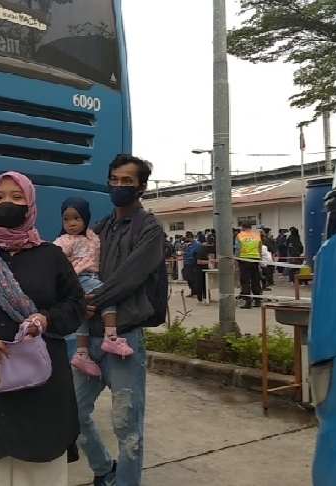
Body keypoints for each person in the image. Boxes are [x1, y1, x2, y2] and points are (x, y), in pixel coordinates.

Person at [0, 171, 85, 486]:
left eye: (16, 197)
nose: (7, 203)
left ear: (31, 204)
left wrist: (45, 319)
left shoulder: (51, 255)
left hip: (43, 382)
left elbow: (75, 305)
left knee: (43, 472)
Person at [75, 154, 164, 486]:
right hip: (90, 340)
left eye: (128, 181)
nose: (120, 186)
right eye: (115, 179)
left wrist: (90, 300)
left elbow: (130, 277)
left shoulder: (150, 228)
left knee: (127, 425)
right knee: (75, 414)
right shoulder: (97, 227)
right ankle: (103, 470)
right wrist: (74, 300)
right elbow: (79, 267)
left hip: (124, 340)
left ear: (141, 187)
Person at [53, 197, 132, 378]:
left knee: (84, 315)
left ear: (85, 219)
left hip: (87, 278)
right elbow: (56, 263)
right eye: (66, 219)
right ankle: (111, 336)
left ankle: (81, 353)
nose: (71, 223)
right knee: (106, 295)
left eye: (76, 218)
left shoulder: (91, 236)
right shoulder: (63, 242)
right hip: (81, 278)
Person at [236, 221, 263, 309]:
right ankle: (258, 300)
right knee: (256, 280)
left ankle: (247, 302)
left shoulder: (240, 235)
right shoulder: (257, 235)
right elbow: (260, 247)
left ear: (243, 227)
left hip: (244, 259)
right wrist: (260, 259)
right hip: (255, 259)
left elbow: (237, 249)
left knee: (245, 281)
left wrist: (236, 261)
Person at [182, 231, 200, 297]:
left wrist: (185, 253)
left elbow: (192, 253)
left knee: (193, 278)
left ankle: (195, 292)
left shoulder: (196, 244)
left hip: (192, 263)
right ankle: (192, 291)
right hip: (187, 263)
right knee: (188, 278)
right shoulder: (188, 244)